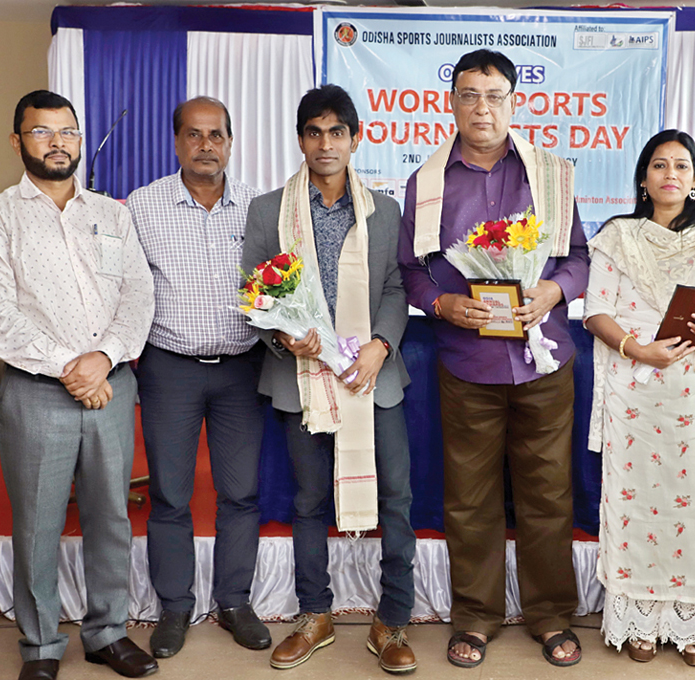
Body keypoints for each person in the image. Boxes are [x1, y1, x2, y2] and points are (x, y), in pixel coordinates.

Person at [397, 49, 589, 668]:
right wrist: (444, 305)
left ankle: (551, 614)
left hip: (544, 360)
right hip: (467, 362)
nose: (482, 107)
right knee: (470, 497)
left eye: (495, 95)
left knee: (548, 493)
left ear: (513, 102)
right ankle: (475, 616)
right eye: (469, 95)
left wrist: (554, 291)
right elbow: (410, 272)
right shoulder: (426, 184)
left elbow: (580, 258)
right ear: (450, 102)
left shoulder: (551, 175)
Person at [0, 90, 157, 680]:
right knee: (38, 522)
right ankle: (42, 646)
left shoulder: (112, 213)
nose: (57, 142)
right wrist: (71, 368)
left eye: (67, 131)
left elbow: (139, 294)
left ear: (79, 136)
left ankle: (107, 632)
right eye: (41, 131)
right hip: (35, 391)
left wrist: (105, 357)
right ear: (17, 139)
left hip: (111, 386)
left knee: (110, 517)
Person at [242, 85, 417, 674]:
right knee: (310, 501)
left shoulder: (384, 210)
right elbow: (258, 294)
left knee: (395, 500)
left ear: (356, 137)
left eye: (336, 131)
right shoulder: (269, 210)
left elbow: (396, 287)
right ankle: (314, 616)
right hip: (301, 376)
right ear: (299, 140)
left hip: (373, 377)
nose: (325, 143)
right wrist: (283, 336)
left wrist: (380, 344)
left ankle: (392, 621)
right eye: (313, 132)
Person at [583, 129, 695, 666]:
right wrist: (639, 349)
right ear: (643, 179)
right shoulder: (617, 236)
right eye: (659, 165)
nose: (670, 174)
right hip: (635, 390)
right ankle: (639, 615)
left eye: (682, 166)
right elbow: (596, 311)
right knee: (637, 504)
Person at [126, 96, 269, 657]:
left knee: (240, 493)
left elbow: (283, 286)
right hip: (169, 370)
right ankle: (175, 607)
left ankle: (234, 601)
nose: (206, 145)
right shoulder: (143, 205)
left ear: (230, 142)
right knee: (170, 494)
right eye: (194, 134)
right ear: (177, 141)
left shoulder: (260, 207)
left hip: (242, 370)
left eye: (216, 135)